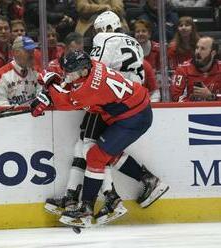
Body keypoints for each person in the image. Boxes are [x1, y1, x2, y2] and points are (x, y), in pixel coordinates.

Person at [44, 11, 163, 225]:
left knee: (89, 148)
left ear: (104, 28)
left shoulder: (103, 39)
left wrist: (54, 87)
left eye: (97, 30)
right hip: (125, 97)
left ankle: (108, 199)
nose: (96, 34)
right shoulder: (134, 42)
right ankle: (80, 196)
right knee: (89, 146)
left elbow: (87, 71)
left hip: (109, 101)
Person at [0, 35, 42, 106]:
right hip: (11, 116)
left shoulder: (37, 73)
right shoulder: (1, 76)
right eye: (28, 51)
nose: (32, 54)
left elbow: (42, 99)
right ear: (16, 52)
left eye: (32, 51)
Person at [170, 36, 221, 102]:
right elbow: (175, 97)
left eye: (202, 49)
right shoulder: (182, 69)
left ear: (213, 53)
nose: (197, 52)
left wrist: (211, 96)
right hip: (189, 111)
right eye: (197, 48)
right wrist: (194, 100)